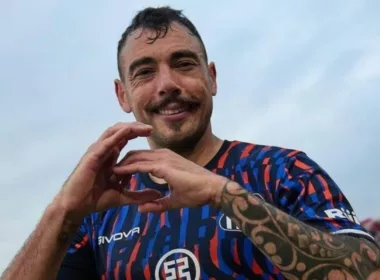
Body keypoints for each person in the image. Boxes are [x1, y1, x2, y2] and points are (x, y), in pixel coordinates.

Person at [2, 6, 380, 280]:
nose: (166, 84)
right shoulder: (102, 210)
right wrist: (63, 212)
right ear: (123, 96)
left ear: (211, 78)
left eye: (183, 63)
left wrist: (224, 193)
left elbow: (369, 271)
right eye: (145, 72)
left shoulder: (284, 171)